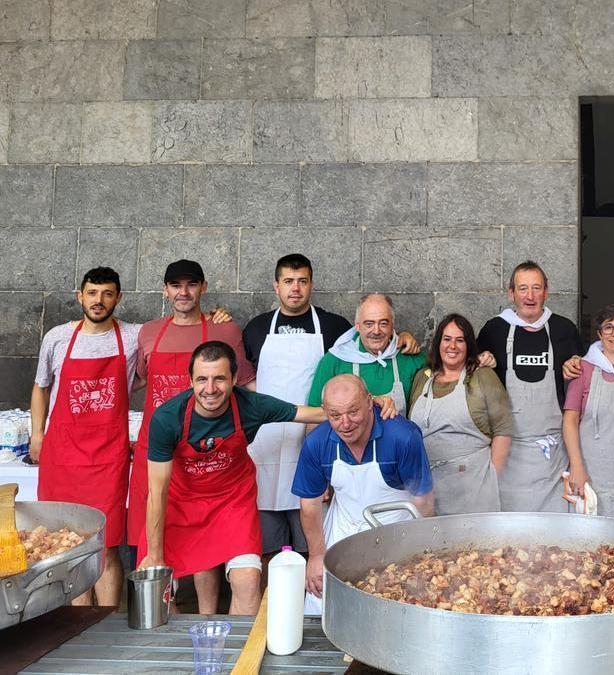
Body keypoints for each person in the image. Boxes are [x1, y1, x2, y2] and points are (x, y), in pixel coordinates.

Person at [138, 342, 326, 615]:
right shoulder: (167, 419)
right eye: (202, 379)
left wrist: (365, 404)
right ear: (190, 380)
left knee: (249, 579)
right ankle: (179, 655)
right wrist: (155, 556)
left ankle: (237, 656)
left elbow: (310, 413)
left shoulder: (252, 405)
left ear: (235, 379)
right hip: (181, 505)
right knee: (157, 592)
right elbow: (157, 491)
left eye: (220, 379)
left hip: (232, 503)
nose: (210, 389)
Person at [30, 267, 140, 607]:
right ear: (80, 296)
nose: (99, 300)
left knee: (106, 545)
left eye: (107, 293)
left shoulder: (135, 336)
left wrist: (211, 316)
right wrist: (38, 435)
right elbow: (40, 387)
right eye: (92, 293)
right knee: (68, 542)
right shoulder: (58, 337)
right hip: (63, 455)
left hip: (108, 457)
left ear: (118, 298)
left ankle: (105, 621)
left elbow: (172, 345)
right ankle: (78, 625)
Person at [128, 260, 251, 551]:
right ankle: (159, 595)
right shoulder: (147, 332)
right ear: (165, 291)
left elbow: (246, 385)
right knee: (152, 533)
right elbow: (139, 380)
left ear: (203, 288)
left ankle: (201, 600)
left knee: (199, 539)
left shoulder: (226, 330)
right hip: (154, 449)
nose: (183, 292)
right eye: (176, 285)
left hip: (202, 452)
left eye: (191, 284)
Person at [242, 254, 353, 563]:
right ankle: (270, 609)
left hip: (314, 441)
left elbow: (365, 353)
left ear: (311, 285)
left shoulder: (335, 327)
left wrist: (406, 338)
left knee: (313, 545)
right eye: (288, 281)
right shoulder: (256, 328)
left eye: (302, 281)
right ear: (276, 286)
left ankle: (311, 608)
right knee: (267, 549)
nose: (295, 289)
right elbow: (243, 377)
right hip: (266, 446)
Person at [296, 375, 435, 614]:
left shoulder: (402, 436)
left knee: (396, 605)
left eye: (353, 412)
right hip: (343, 529)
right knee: (322, 605)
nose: (345, 423)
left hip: (396, 532)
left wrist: (425, 550)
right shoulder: (317, 443)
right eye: (335, 415)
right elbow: (310, 505)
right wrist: (316, 556)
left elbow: (423, 501)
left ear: (370, 402)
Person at [477, 261, 584, 512]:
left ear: (546, 292)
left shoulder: (564, 329)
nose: (530, 296)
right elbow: (470, 377)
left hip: (553, 458)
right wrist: (481, 360)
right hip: (508, 453)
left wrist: (576, 364)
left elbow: (583, 381)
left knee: (554, 535)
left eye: (537, 288)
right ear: (511, 293)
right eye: (523, 288)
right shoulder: (494, 330)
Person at [409, 314, 513, 515]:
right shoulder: (423, 378)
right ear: (438, 343)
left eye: (460, 340)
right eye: (447, 339)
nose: (452, 346)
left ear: (469, 345)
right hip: (428, 489)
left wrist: (492, 476)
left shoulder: (483, 376)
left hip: (473, 489)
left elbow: (503, 429)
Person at [562, 303, 614, 521]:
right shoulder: (583, 369)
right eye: (608, 327)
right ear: (599, 334)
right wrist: (577, 467)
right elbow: (570, 420)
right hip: (591, 472)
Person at [307, 293, 424, 418]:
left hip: (398, 437)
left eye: (383, 323)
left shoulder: (411, 358)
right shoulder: (334, 361)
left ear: (392, 325)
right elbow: (314, 414)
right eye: (369, 324)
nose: (376, 331)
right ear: (357, 326)